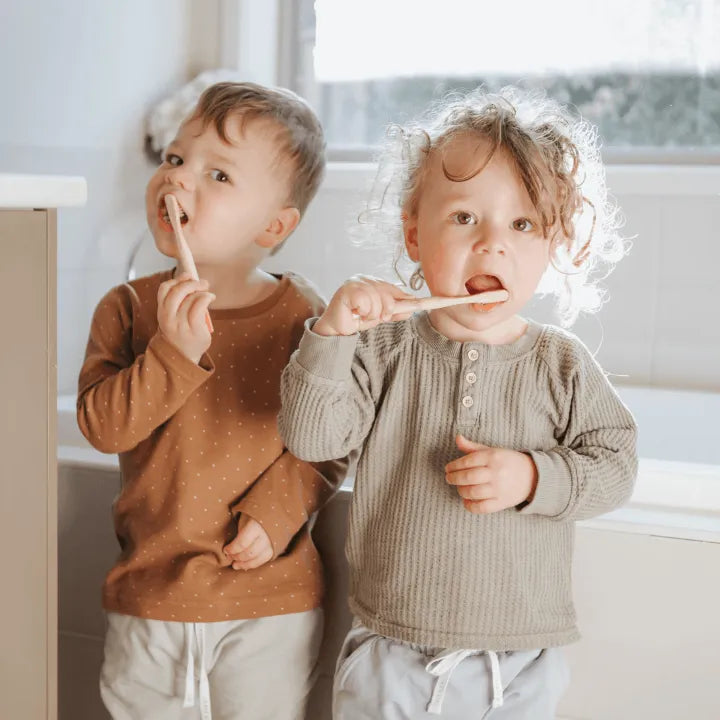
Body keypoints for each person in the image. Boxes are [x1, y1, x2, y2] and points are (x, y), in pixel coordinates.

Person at [279, 86, 638, 719]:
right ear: (415, 237)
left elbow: (615, 467)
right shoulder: (381, 347)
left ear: (551, 246)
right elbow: (312, 439)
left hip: (518, 662)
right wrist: (332, 336)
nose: (493, 243)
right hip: (391, 646)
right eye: (466, 217)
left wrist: (533, 476)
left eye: (522, 224)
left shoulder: (562, 364)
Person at [77, 81, 347, 720]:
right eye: (174, 159)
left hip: (268, 601)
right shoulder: (129, 308)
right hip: (150, 597)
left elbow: (331, 439)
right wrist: (170, 354)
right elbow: (101, 427)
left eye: (217, 173)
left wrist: (277, 512)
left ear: (275, 226)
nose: (177, 180)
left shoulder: (303, 317)